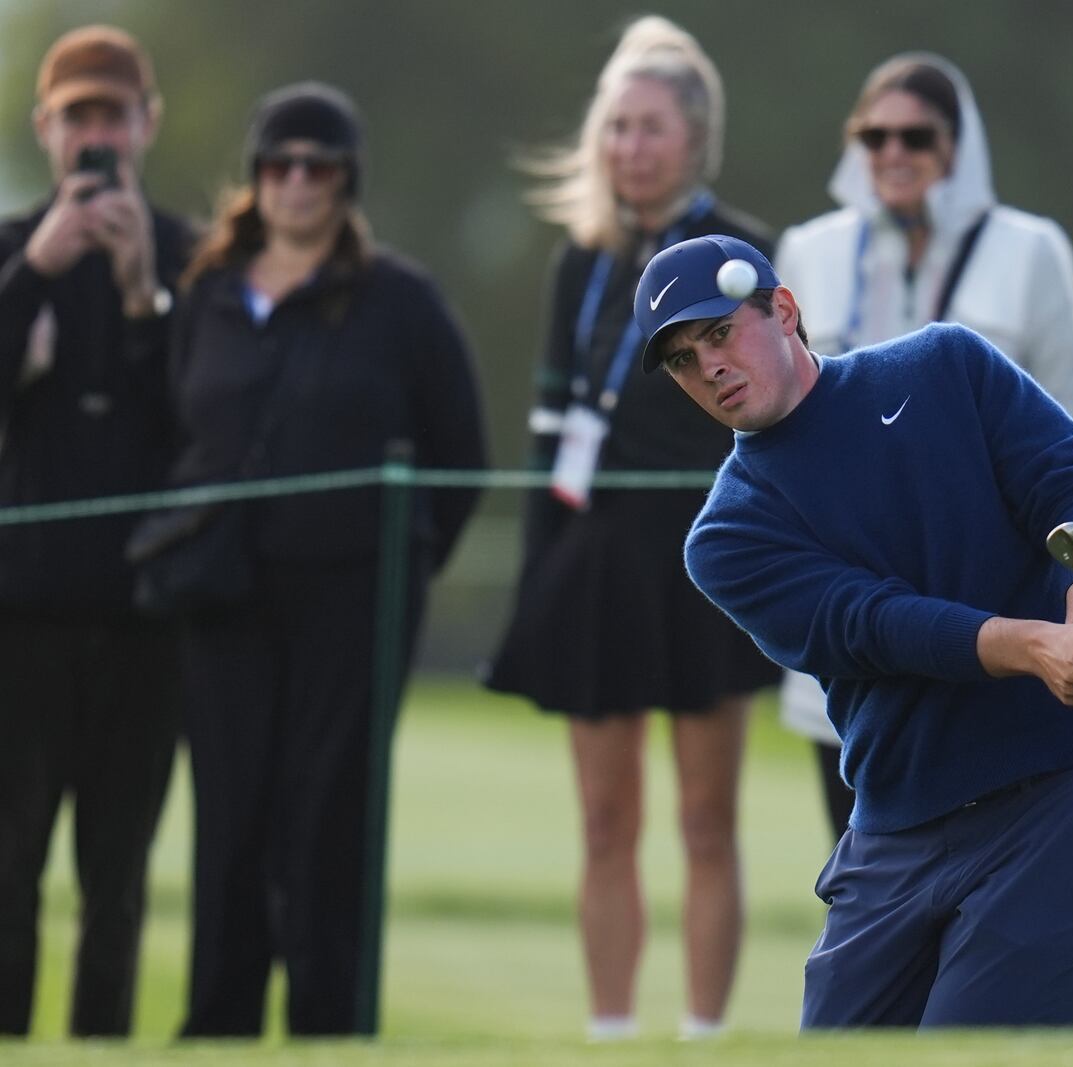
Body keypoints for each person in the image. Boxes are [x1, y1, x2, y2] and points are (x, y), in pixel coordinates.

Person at [634, 233, 1073, 1029]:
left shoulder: (944, 368)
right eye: (680, 360)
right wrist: (1034, 647)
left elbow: (1070, 482)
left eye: (718, 333)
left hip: (1061, 800)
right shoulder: (727, 536)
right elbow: (876, 624)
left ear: (784, 310)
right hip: (894, 839)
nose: (708, 368)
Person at [166, 82, 485, 1037]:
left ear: (347, 182)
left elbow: (457, 454)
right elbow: (176, 433)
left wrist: (396, 569)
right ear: (255, 179)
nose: (298, 182)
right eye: (280, 164)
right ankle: (217, 1027)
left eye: (319, 165)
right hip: (221, 598)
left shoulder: (401, 302)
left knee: (326, 818)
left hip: (351, 601)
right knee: (229, 816)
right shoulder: (209, 296)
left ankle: (328, 1031)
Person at [482, 17, 778, 1041]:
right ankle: (610, 1036)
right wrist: (539, 580)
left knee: (706, 820)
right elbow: (551, 431)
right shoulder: (585, 260)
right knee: (606, 822)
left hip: (709, 555)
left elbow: (771, 418)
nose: (628, 148)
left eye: (649, 128)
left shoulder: (739, 257)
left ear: (693, 138)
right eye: (615, 128)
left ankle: (702, 1036)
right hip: (596, 557)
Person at [772, 52, 1073, 839]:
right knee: (862, 873)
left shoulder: (1030, 251)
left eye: (915, 136)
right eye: (873, 135)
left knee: (982, 865)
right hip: (853, 608)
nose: (892, 153)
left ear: (956, 146)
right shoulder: (808, 252)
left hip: (990, 605)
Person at [0, 25, 188, 1038]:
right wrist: (35, 270)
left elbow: (200, 419)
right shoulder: (11, 251)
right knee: (7, 870)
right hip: (20, 614)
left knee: (115, 882)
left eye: (112, 115)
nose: (96, 136)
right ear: (47, 129)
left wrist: (138, 293)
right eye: (79, 117)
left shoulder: (187, 256)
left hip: (142, 617)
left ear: (144, 125)